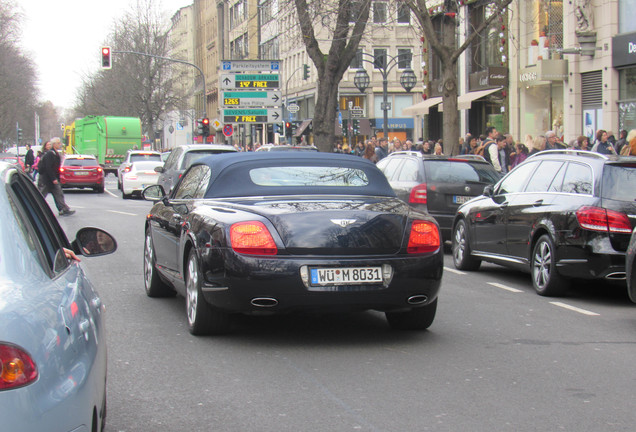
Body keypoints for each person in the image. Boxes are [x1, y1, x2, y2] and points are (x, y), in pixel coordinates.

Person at [38, 137, 75, 216]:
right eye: (58, 143)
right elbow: (48, 167)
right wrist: (53, 178)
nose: (60, 144)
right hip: (47, 180)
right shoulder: (50, 154)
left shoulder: (54, 153)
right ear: (54, 144)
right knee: (41, 195)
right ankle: (35, 207)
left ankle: (64, 209)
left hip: (51, 179)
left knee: (58, 194)